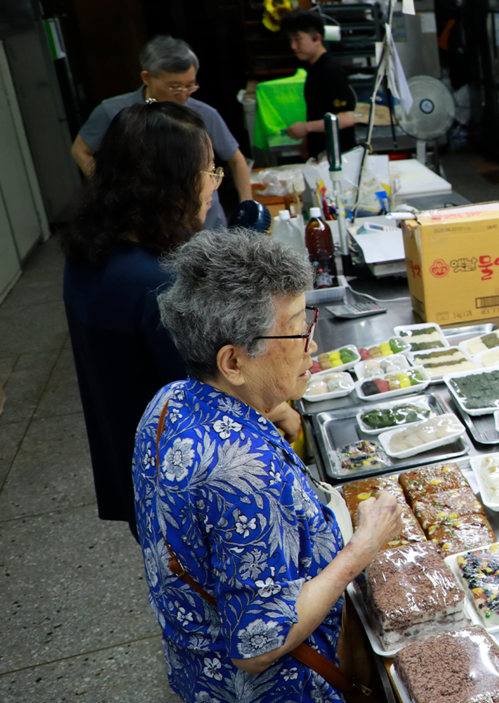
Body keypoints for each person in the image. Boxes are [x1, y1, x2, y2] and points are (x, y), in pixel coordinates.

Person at [135, 228, 401, 703]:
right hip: (268, 699)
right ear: (233, 360)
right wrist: (363, 547)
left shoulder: (168, 400)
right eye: (297, 328)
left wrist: (264, 406)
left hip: (197, 668)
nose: (312, 342)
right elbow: (258, 645)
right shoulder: (241, 474)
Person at [63, 102, 301, 542]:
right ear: (166, 185)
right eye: (208, 172)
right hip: (188, 480)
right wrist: (279, 405)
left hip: (136, 461)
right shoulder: (154, 284)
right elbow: (211, 389)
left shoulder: (91, 251)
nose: (214, 185)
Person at [70, 35, 251, 229]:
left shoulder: (205, 114)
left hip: (206, 224)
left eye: (190, 85)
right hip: (146, 225)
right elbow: (80, 150)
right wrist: (110, 189)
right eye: (174, 87)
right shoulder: (114, 112)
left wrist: (247, 210)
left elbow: (237, 160)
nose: (183, 94)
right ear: (147, 77)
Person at [280, 10, 357, 159]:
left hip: (340, 157)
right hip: (322, 154)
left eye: (298, 40)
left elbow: (346, 118)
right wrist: (308, 141)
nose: (293, 46)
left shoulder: (331, 71)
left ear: (317, 38)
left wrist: (306, 127)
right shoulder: (313, 69)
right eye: (291, 40)